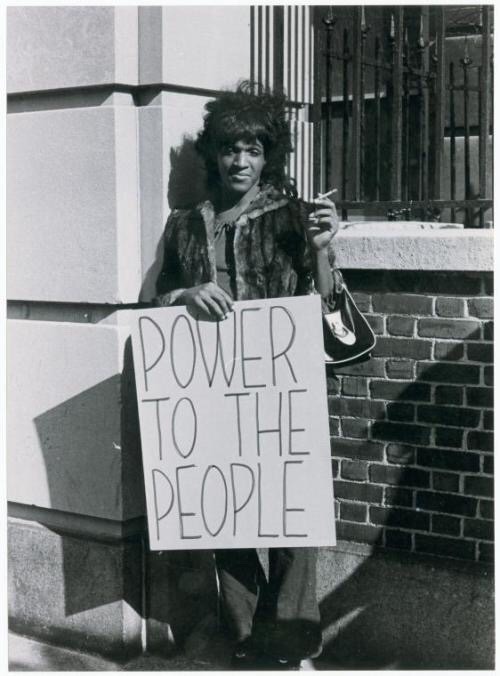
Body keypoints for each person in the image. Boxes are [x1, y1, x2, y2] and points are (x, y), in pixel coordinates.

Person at [154, 81, 342, 670]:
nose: (241, 160)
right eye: (232, 148)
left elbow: (330, 306)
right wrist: (187, 293)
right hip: (211, 392)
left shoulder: (293, 216)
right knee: (228, 517)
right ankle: (243, 637)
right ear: (214, 153)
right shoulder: (186, 223)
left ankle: (289, 642)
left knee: (293, 523)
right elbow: (156, 302)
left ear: (269, 156)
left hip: (281, 392)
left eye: (254, 149)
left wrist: (322, 249)